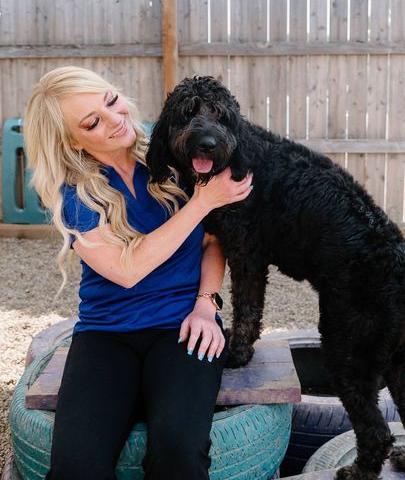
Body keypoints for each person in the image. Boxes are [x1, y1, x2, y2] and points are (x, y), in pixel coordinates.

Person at [23, 66, 252, 479]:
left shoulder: (174, 151)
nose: (115, 121)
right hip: (107, 334)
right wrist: (202, 203)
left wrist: (206, 305)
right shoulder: (75, 191)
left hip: (183, 325)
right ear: (70, 140)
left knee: (179, 455)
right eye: (92, 122)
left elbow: (214, 240)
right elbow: (127, 271)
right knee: (76, 469)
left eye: (111, 102)